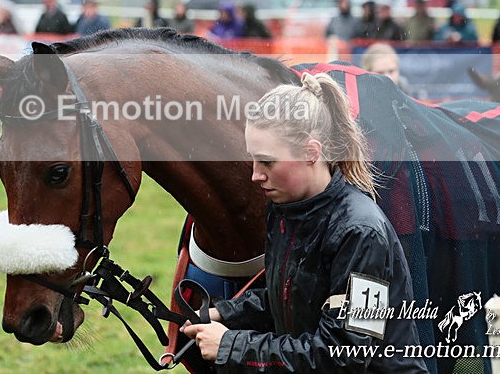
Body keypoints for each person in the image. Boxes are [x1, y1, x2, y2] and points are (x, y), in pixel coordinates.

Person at [181, 75, 427, 372]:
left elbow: (346, 356)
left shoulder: (362, 233)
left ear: (311, 152)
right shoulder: (283, 212)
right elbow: (290, 298)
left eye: (267, 162)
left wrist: (231, 346)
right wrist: (222, 314)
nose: (255, 175)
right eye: (253, 160)